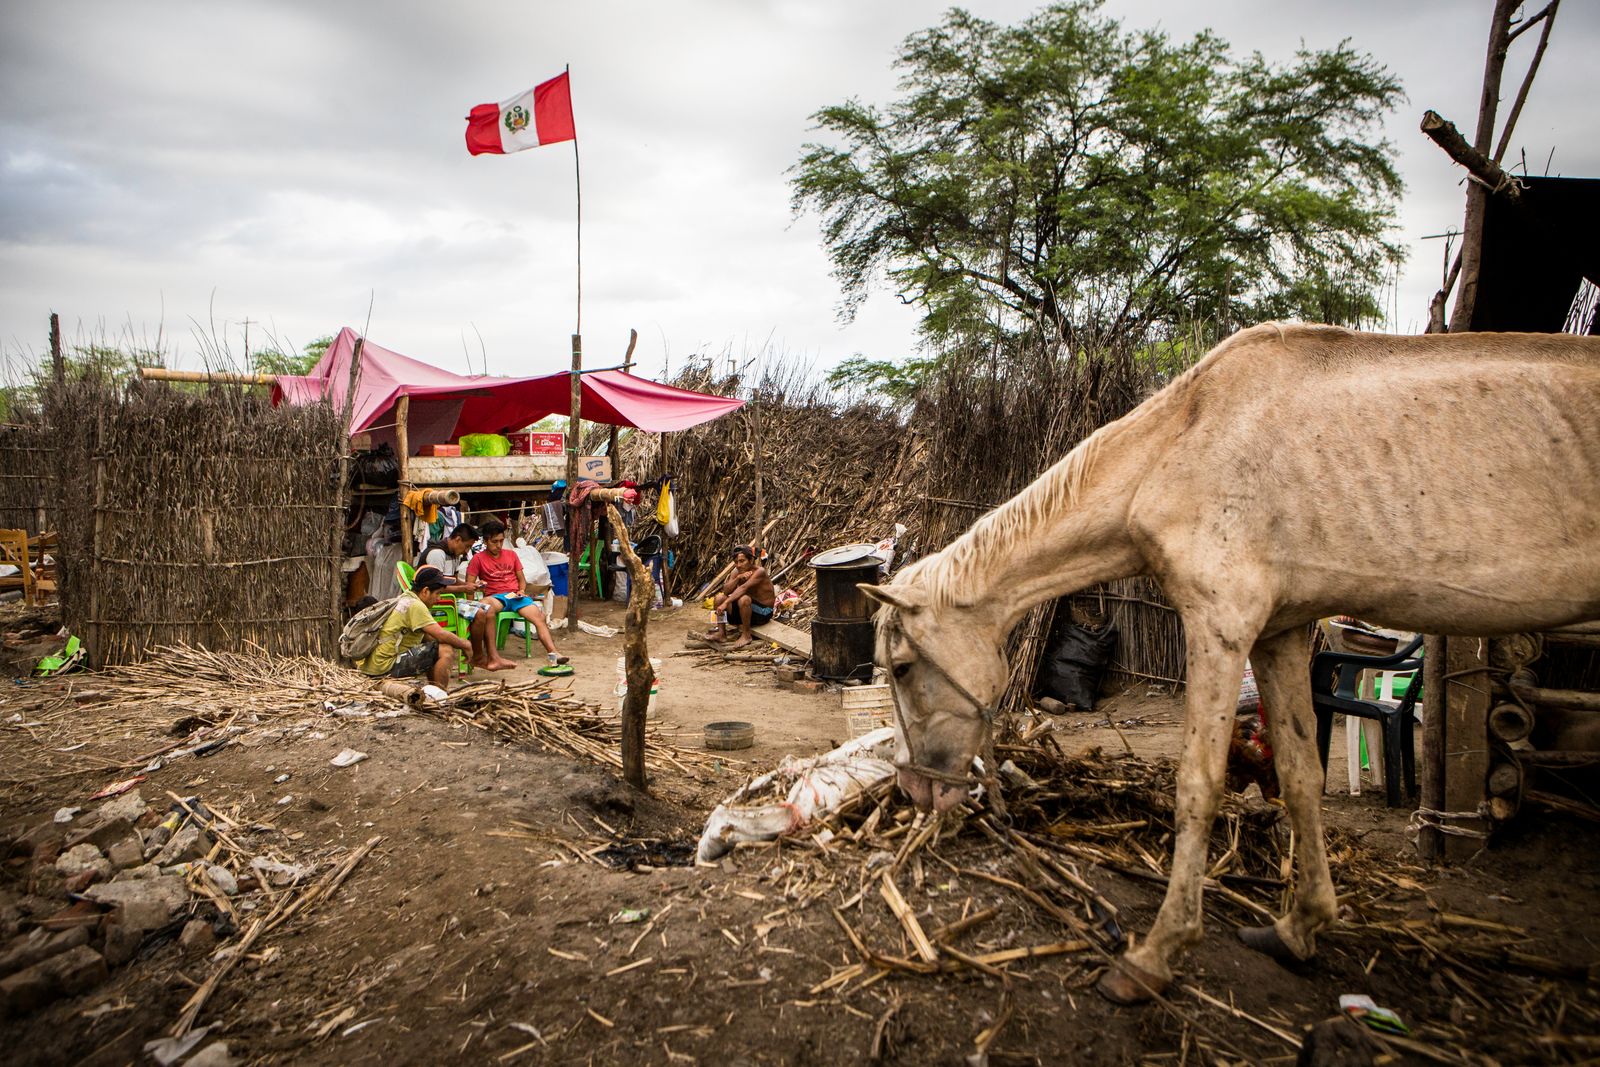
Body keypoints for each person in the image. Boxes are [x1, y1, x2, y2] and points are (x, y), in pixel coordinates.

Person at [466, 518, 567, 671]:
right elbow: (469, 586)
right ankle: (493, 657)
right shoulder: (477, 559)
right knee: (487, 608)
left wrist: (521, 591)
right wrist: (472, 606)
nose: (499, 545)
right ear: (486, 541)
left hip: (515, 596)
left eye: (501, 541)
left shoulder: (511, 555)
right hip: (496, 597)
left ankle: (554, 653)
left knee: (539, 616)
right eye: (494, 542)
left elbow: (522, 580)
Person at [357, 566, 473, 690]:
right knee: (445, 649)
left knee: (434, 645)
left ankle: (432, 690)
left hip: (376, 665)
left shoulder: (406, 597)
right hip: (384, 667)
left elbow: (431, 637)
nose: (439, 599)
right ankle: (440, 693)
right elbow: (440, 634)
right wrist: (465, 644)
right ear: (425, 591)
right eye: (438, 593)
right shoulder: (415, 606)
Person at [712, 544, 776, 649]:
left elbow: (743, 588)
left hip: (763, 613)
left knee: (744, 598)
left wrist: (726, 604)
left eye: (742, 561)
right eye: (736, 562)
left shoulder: (759, 572)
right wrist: (737, 578)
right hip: (747, 611)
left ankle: (746, 635)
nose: (738, 565)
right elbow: (726, 591)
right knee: (719, 598)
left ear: (751, 560)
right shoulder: (737, 571)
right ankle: (721, 634)